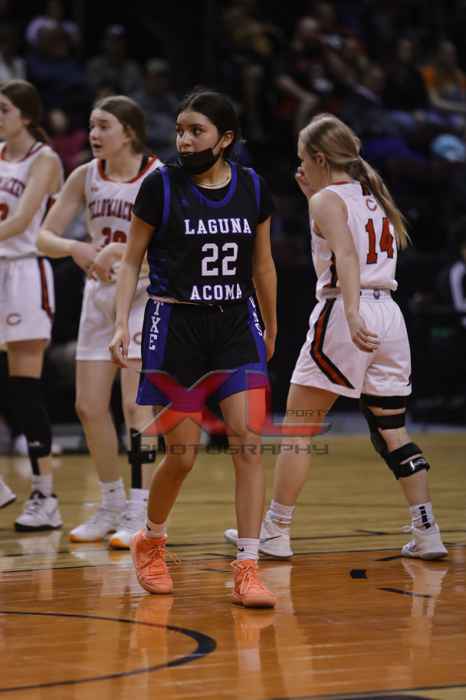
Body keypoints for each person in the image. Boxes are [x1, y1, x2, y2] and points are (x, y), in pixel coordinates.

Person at [225, 113, 447, 562]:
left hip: (348, 311)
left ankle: (276, 531)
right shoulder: (372, 195)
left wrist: (349, 311)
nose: (300, 167)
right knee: (392, 430)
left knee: (298, 428)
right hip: (389, 315)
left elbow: (345, 255)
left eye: (303, 158)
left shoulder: (327, 200)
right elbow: (346, 239)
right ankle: (428, 532)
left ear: (320, 158)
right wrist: (315, 198)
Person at [109, 89, 278, 608]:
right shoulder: (159, 186)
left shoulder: (252, 186)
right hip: (174, 323)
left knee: (248, 443)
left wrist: (272, 325)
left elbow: (263, 264)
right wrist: (121, 323)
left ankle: (247, 565)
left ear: (224, 139)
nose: (184, 140)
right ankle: (152, 539)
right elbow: (131, 260)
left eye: (196, 131)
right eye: (180, 130)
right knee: (183, 455)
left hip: (235, 322)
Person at [38, 95, 162, 548]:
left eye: (103, 125)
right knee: (88, 407)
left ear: (128, 132)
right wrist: (76, 248)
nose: (93, 134)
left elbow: (173, 248)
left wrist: (122, 254)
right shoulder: (85, 175)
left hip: (144, 296)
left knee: (134, 407)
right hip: (99, 297)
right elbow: (44, 236)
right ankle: (110, 503)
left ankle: (141, 510)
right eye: (91, 125)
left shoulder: (158, 177)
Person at [0, 79, 63, 527]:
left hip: (25, 271)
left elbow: (23, 219)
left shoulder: (45, 159)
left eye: (3, 109)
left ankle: (44, 495)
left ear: (25, 115)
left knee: (25, 389)